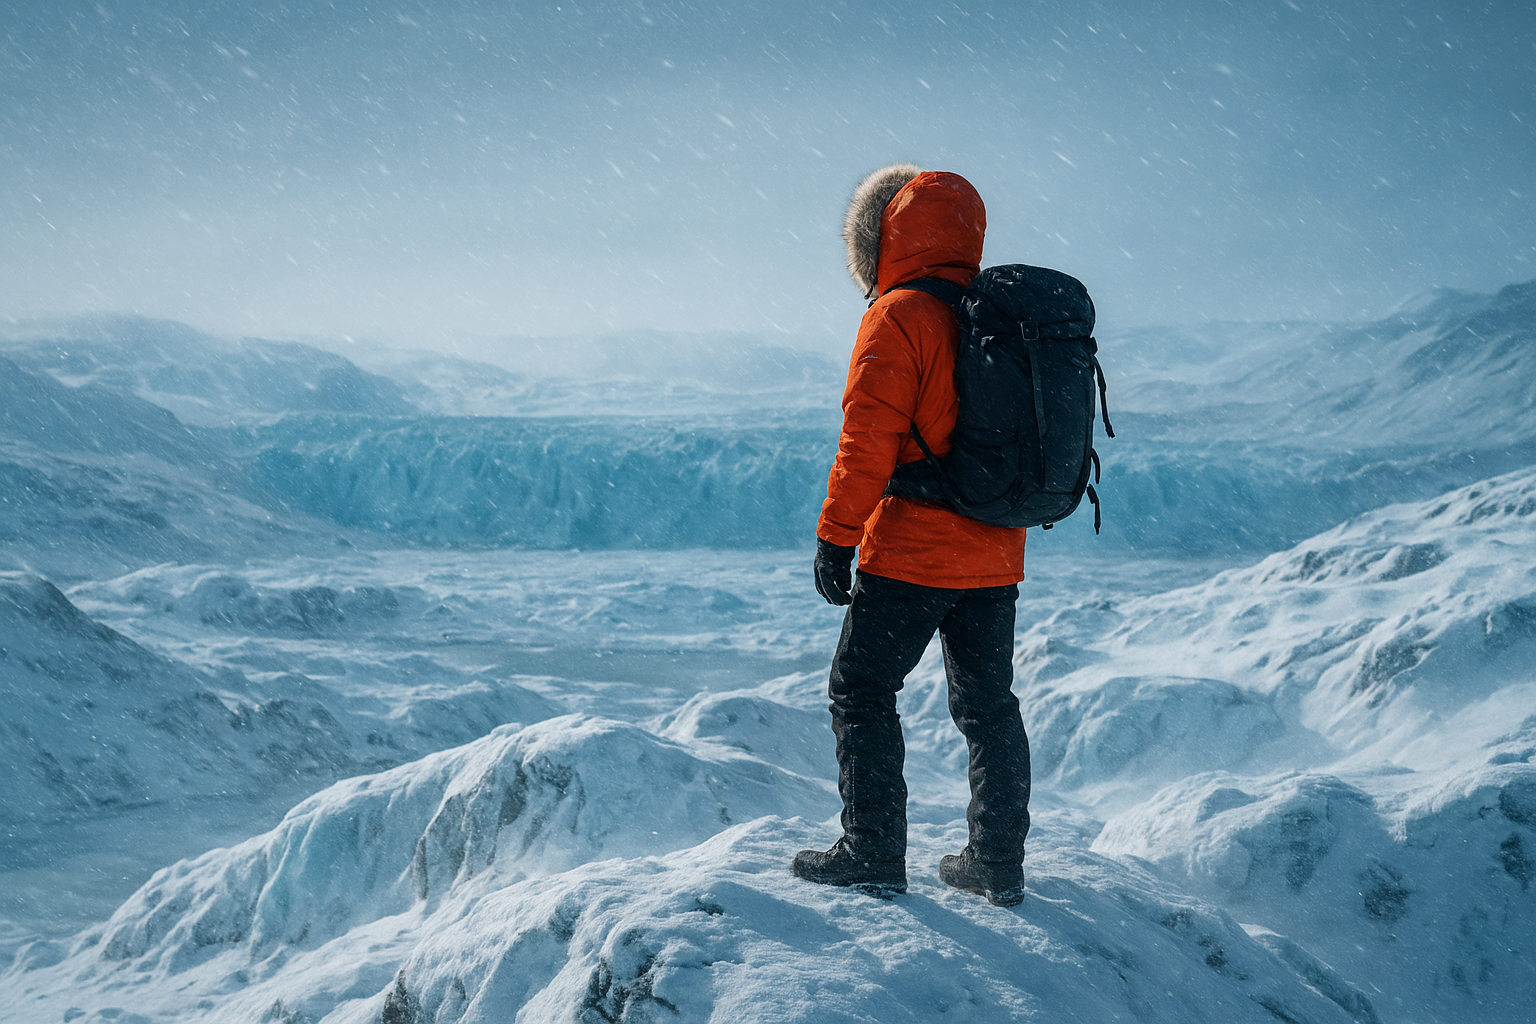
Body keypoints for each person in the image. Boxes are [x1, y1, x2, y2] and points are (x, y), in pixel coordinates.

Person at [791, 165, 1031, 906]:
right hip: (995, 548)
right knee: (990, 705)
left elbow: (867, 441)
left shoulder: (900, 315)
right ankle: (996, 861)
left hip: (914, 550)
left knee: (861, 689)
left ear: (881, 235)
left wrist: (837, 537)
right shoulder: (997, 316)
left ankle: (871, 849)